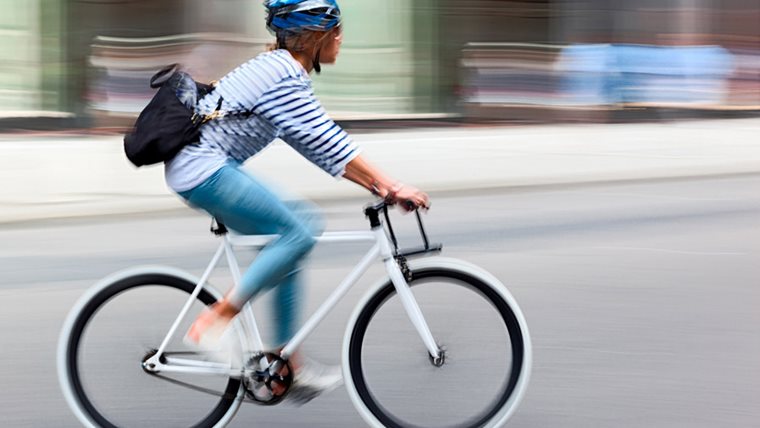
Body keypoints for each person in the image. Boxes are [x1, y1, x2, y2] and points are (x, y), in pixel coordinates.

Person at [165, 0, 430, 401]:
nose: (342, 37)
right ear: (314, 37)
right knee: (298, 231)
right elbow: (329, 141)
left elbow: (319, 148)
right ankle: (214, 321)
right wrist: (392, 187)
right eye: (336, 30)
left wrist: (380, 188)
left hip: (203, 168)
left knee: (293, 234)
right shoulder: (281, 75)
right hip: (203, 171)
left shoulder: (280, 70)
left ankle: (287, 362)